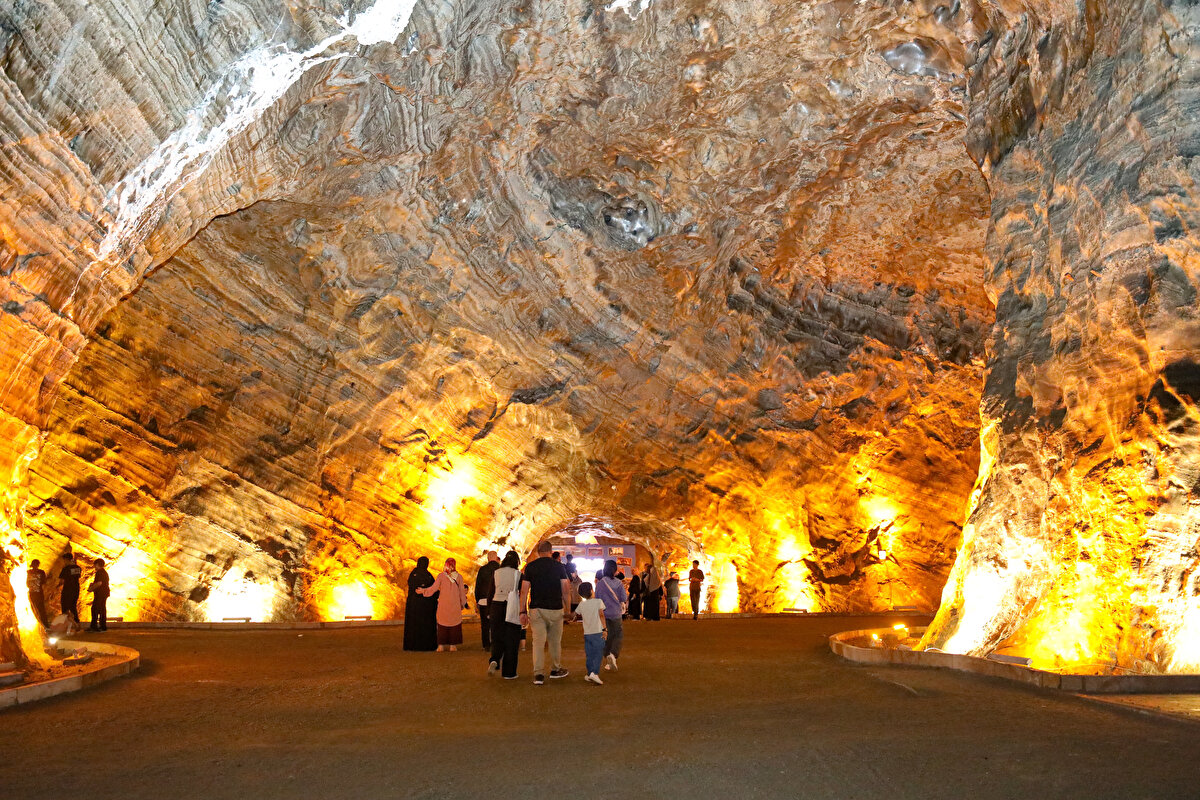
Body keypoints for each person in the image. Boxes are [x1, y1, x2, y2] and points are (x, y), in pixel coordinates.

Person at [519, 540, 571, 685]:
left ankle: (538, 674)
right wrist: (568, 609)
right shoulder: (559, 567)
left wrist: (522, 611)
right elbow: (565, 589)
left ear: (537, 552)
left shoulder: (530, 567)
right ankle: (555, 669)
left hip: (537, 609)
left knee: (538, 642)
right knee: (555, 641)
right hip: (555, 609)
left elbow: (524, 591)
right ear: (550, 551)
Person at [487, 551, 523, 679]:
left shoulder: (496, 572)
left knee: (497, 636)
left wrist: (488, 611)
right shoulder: (518, 574)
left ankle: (494, 659)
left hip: (496, 605)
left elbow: (490, 592)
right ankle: (509, 673)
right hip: (510, 606)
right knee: (512, 639)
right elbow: (522, 592)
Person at [421, 558, 468, 651]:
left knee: (442, 624)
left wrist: (423, 591)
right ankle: (453, 645)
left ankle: (441, 646)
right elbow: (462, 592)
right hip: (454, 604)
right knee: (454, 624)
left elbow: (433, 588)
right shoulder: (459, 577)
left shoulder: (441, 576)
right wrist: (463, 603)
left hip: (443, 604)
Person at [595, 559, 628, 672]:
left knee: (606, 636)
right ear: (615, 570)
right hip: (616, 613)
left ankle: (608, 658)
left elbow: (597, 599)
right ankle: (613, 655)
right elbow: (624, 598)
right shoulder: (619, 583)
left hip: (603, 614)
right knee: (617, 635)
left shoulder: (600, 583)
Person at [404, 556, 439, 651]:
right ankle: (423, 645)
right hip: (422, 605)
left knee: (419, 625)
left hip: (419, 605)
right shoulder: (423, 575)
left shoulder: (417, 574)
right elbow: (431, 589)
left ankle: (418, 645)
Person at [575, 582, 607, 685]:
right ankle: (595, 673)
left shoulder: (581, 604)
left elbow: (575, 615)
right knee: (598, 654)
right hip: (598, 632)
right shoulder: (598, 602)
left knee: (589, 654)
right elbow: (601, 615)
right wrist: (605, 629)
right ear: (591, 591)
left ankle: (589, 673)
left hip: (587, 633)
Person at [475, 550, 500, 649]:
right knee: (497, 623)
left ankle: (486, 644)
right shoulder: (500, 569)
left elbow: (478, 586)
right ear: (496, 557)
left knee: (485, 624)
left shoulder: (482, 569)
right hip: (497, 600)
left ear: (488, 558)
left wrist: (477, 599)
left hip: (483, 600)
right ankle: (496, 643)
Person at [59, 552, 82, 626]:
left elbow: (62, 581)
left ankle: (65, 624)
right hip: (76, 589)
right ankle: (77, 622)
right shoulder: (78, 568)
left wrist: (57, 587)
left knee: (65, 606)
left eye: (64, 560)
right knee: (73, 606)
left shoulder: (65, 569)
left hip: (67, 590)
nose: (64, 562)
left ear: (66, 559)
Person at [88, 558, 110, 632]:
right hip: (104, 593)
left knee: (95, 609)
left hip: (100, 593)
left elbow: (99, 583)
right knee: (102, 609)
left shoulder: (99, 572)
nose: (94, 567)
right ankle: (103, 626)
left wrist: (91, 588)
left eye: (95, 565)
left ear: (97, 565)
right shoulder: (104, 572)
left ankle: (94, 626)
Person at [26, 559, 47, 625]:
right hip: (36, 593)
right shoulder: (40, 572)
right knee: (39, 609)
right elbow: (44, 582)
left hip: (35, 593)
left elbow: (27, 583)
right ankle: (42, 624)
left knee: (39, 609)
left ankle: (43, 623)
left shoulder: (29, 572)